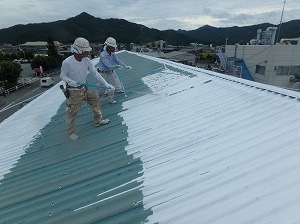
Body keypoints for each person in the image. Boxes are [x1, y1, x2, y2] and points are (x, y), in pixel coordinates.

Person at [60, 37, 115, 141]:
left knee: (96, 101)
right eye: (86, 51)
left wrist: (106, 84)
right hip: (73, 91)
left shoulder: (87, 60)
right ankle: (71, 133)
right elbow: (62, 76)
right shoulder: (67, 62)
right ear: (79, 51)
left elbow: (95, 73)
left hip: (85, 86)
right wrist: (69, 81)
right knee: (72, 112)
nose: (88, 53)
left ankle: (98, 121)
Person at [97, 37, 132, 104]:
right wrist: (117, 66)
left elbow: (117, 60)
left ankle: (111, 100)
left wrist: (125, 66)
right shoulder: (103, 55)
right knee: (101, 89)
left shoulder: (112, 53)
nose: (115, 48)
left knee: (112, 87)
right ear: (109, 47)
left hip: (110, 73)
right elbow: (108, 65)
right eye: (113, 47)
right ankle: (98, 102)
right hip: (103, 74)